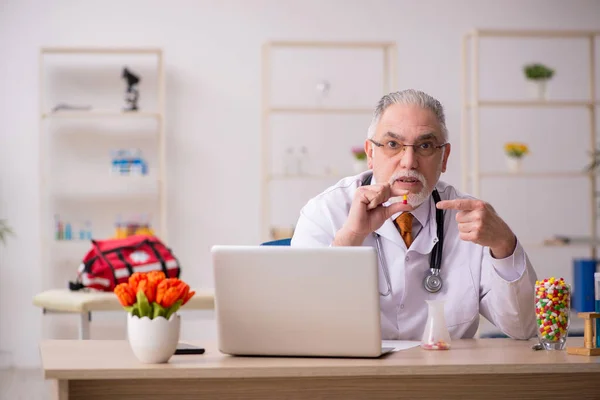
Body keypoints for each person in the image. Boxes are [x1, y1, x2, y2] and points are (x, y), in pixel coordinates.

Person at [290, 89, 537, 340]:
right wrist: (351, 237)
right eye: (393, 144)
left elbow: (523, 328)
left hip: (445, 374)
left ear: (444, 157)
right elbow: (299, 321)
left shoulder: (473, 218)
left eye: (425, 146)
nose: (409, 161)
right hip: (353, 375)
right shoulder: (324, 211)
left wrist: (504, 245)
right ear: (370, 153)